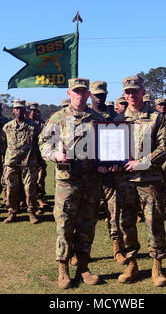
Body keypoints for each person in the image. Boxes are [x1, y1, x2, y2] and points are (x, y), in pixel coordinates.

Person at [39, 78, 105, 289]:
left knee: (87, 225)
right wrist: (55, 154)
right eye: (76, 92)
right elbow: (43, 144)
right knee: (65, 224)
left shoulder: (97, 119)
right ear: (69, 93)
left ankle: (83, 267)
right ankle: (63, 268)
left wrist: (107, 162)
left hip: (91, 181)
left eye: (83, 92)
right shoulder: (58, 118)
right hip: (67, 183)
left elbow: (106, 147)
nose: (79, 95)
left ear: (88, 95)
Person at [113, 75, 166, 287]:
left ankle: (157, 266)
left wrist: (141, 163)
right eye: (127, 92)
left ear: (142, 91)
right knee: (126, 223)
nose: (131, 95)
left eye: (135, 91)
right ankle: (132, 264)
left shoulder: (157, 118)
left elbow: (164, 148)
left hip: (150, 179)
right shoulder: (117, 121)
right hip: (124, 181)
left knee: (154, 222)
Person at [88, 80, 126, 265]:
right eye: (96, 94)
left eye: (102, 94)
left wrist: (117, 163)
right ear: (90, 95)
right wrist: (95, 165)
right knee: (88, 215)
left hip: (111, 174)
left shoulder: (115, 117)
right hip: (90, 174)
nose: (99, 98)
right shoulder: (84, 116)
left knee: (115, 213)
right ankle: (82, 251)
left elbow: (120, 143)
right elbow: (79, 147)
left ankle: (117, 248)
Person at [0, 101, 42, 224]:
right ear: (13, 110)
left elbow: (39, 144)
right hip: (11, 163)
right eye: (16, 109)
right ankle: (12, 212)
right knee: (11, 189)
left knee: (30, 189)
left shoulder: (34, 127)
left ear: (25, 111)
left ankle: (31, 213)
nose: (19, 111)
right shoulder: (7, 127)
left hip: (28, 163)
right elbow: (2, 144)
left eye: (21, 109)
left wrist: (39, 161)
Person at [27, 102, 48, 211]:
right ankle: (28, 201)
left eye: (34, 110)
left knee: (40, 178)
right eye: (31, 110)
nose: (32, 112)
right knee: (29, 181)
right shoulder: (26, 123)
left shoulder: (42, 124)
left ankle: (40, 198)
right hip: (28, 157)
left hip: (39, 156)